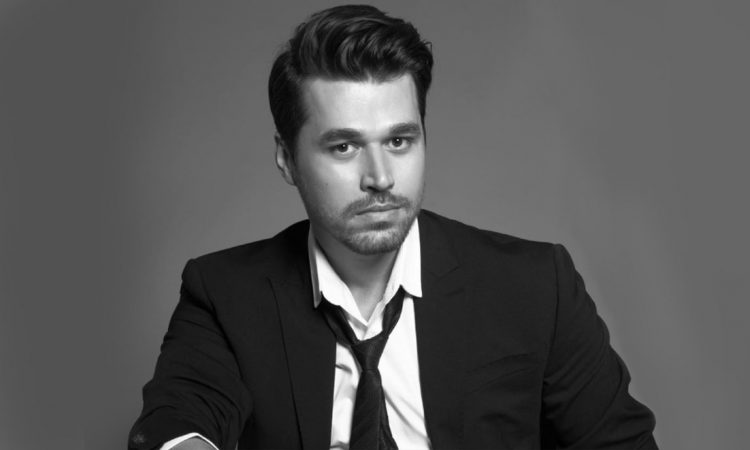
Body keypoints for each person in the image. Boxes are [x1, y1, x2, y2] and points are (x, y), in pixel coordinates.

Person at [129, 5, 657, 450]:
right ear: (287, 159)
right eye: (344, 146)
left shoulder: (536, 286)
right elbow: (178, 421)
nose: (380, 178)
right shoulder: (225, 295)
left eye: (399, 141)